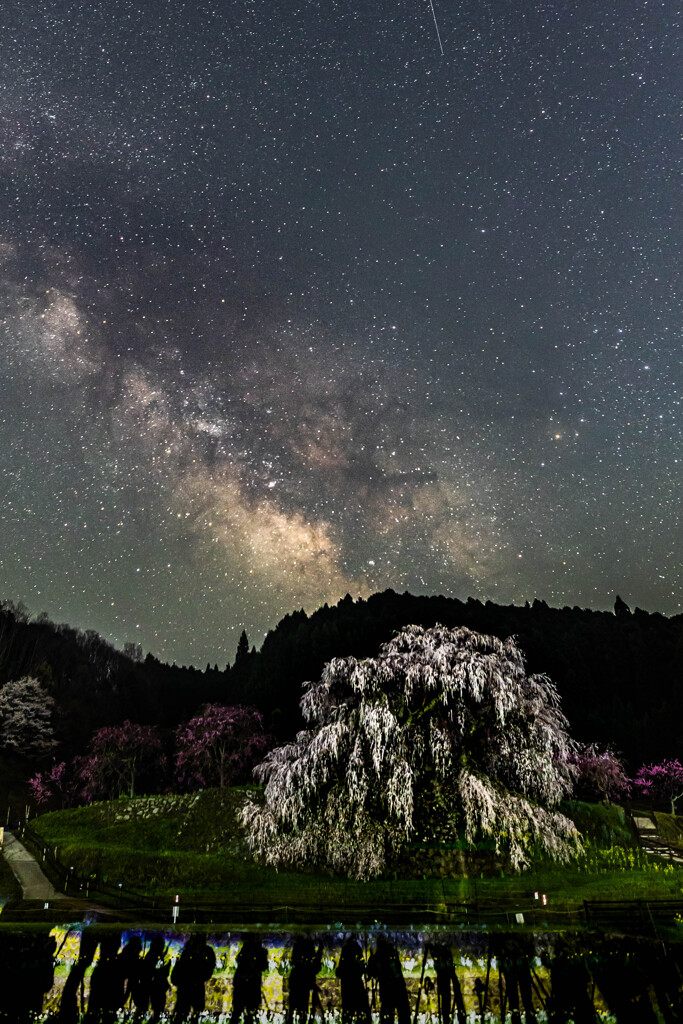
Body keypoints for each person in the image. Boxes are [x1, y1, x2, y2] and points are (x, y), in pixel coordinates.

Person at [171, 932, 216, 1022]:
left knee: (191, 1012)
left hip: (191, 986)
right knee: (184, 1012)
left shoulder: (191, 952)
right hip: (189, 986)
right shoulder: (189, 952)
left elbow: (211, 965)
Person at [368, 936, 409, 1024]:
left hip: (390, 990)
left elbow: (372, 973)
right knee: (397, 1014)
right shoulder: (389, 954)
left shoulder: (382, 956)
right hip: (393, 990)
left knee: (390, 1014)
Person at [229, 934, 269, 1024]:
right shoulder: (248, 950)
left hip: (251, 984)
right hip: (245, 984)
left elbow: (263, 966)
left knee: (248, 1011)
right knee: (240, 1011)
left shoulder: (258, 951)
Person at [336, 938, 370, 1024]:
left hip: (347, 988)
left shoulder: (345, 959)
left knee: (349, 1012)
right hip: (356, 987)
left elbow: (338, 972)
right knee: (359, 1012)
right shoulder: (355, 959)